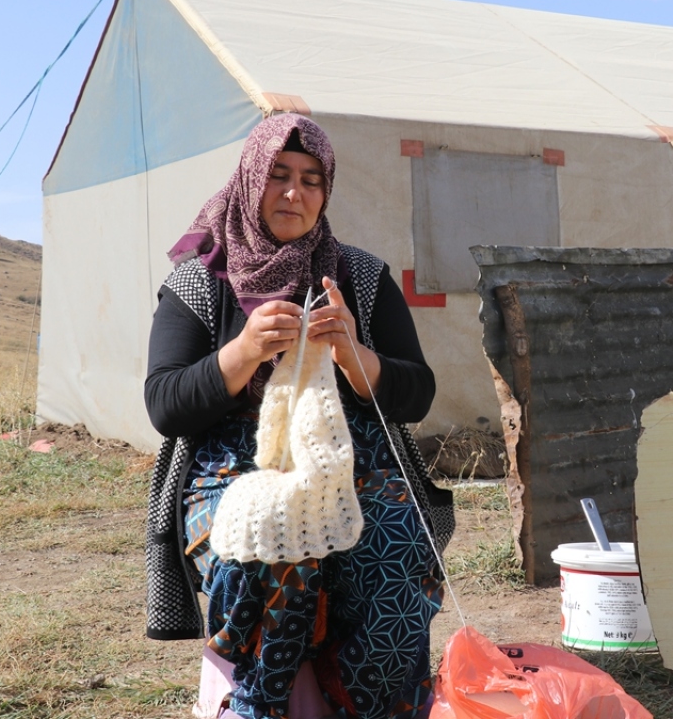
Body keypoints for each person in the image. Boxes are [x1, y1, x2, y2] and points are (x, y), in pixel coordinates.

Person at [144, 113, 454, 719]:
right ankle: (258, 705)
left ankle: (375, 707)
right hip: (230, 466)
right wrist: (244, 352)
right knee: (268, 539)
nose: (295, 192)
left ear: (326, 192)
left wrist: (353, 353)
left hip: (348, 456)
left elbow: (417, 394)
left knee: (388, 546)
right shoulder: (200, 284)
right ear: (249, 180)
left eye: (312, 180)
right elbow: (165, 403)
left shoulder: (359, 278)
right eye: (279, 175)